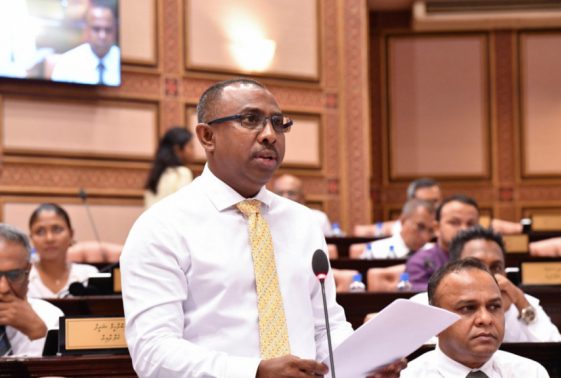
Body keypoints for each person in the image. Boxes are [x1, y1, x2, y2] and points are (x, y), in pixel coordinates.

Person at [121, 78, 406, 377]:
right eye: (250, 120)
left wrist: (364, 365)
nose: (270, 135)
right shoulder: (162, 226)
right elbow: (152, 352)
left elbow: (324, 328)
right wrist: (253, 372)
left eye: (278, 123)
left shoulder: (303, 222)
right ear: (207, 137)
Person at [410, 226, 561, 342]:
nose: (488, 275)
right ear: (453, 267)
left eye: (496, 267)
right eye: (477, 266)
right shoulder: (423, 304)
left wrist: (522, 303)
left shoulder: (523, 302)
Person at [401, 259, 550, 377]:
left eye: (494, 307)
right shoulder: (408, 376)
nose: (486, 319)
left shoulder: (531, 373)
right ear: (435, 322)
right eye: (468, 308)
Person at [0, 223, 63, 356]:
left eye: (14, 275)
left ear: (28, 271)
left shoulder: (50, 317)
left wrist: (38, 332)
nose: (4, 288)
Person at [405, 194, 480, 291]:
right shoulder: (419, 262)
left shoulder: (485, 259)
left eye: (471, 224)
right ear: (437, 228)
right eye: (454, 222)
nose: (464, 229)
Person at [27, 203, 99, 298]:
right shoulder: (23, 278)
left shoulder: (88, 275)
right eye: (40, 231)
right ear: (31, 238)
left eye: (56, 229)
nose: (49, 238)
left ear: (71, 234)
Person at [51, 1, 120, 85]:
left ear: (115, 30)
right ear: (86, 30)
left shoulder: (124, 62)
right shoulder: (67, 63)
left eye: (108, 29)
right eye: (96, 29)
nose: (103, 36)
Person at [350, 199, 436, 259]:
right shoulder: (375, 251)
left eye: (431, 231)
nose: (425, 237)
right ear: (403, 220)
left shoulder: (436, 254)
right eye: (420, 227)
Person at [144, 127, 196, 209]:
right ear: (177, 149)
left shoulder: (156, 175)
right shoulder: (182, 173)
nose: (194, 151)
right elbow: (184, 208)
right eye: (190, 146)